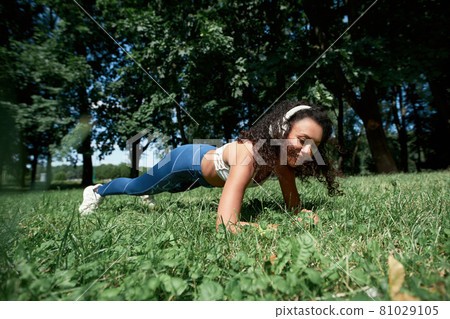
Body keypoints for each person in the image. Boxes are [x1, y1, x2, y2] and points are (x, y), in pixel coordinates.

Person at [79, 100, 341, 233]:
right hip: (185, 162)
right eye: (303, 140)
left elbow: (293, 207)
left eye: (315, 146)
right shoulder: (246, 157)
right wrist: (273, 228)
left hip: (203, 173)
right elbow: (226, 226)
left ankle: (153, 190)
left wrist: (303, 214)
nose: (308, 151)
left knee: (168, 191)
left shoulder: (281, 161)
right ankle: (97, 190)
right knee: (136, 187)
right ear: (281, 129)